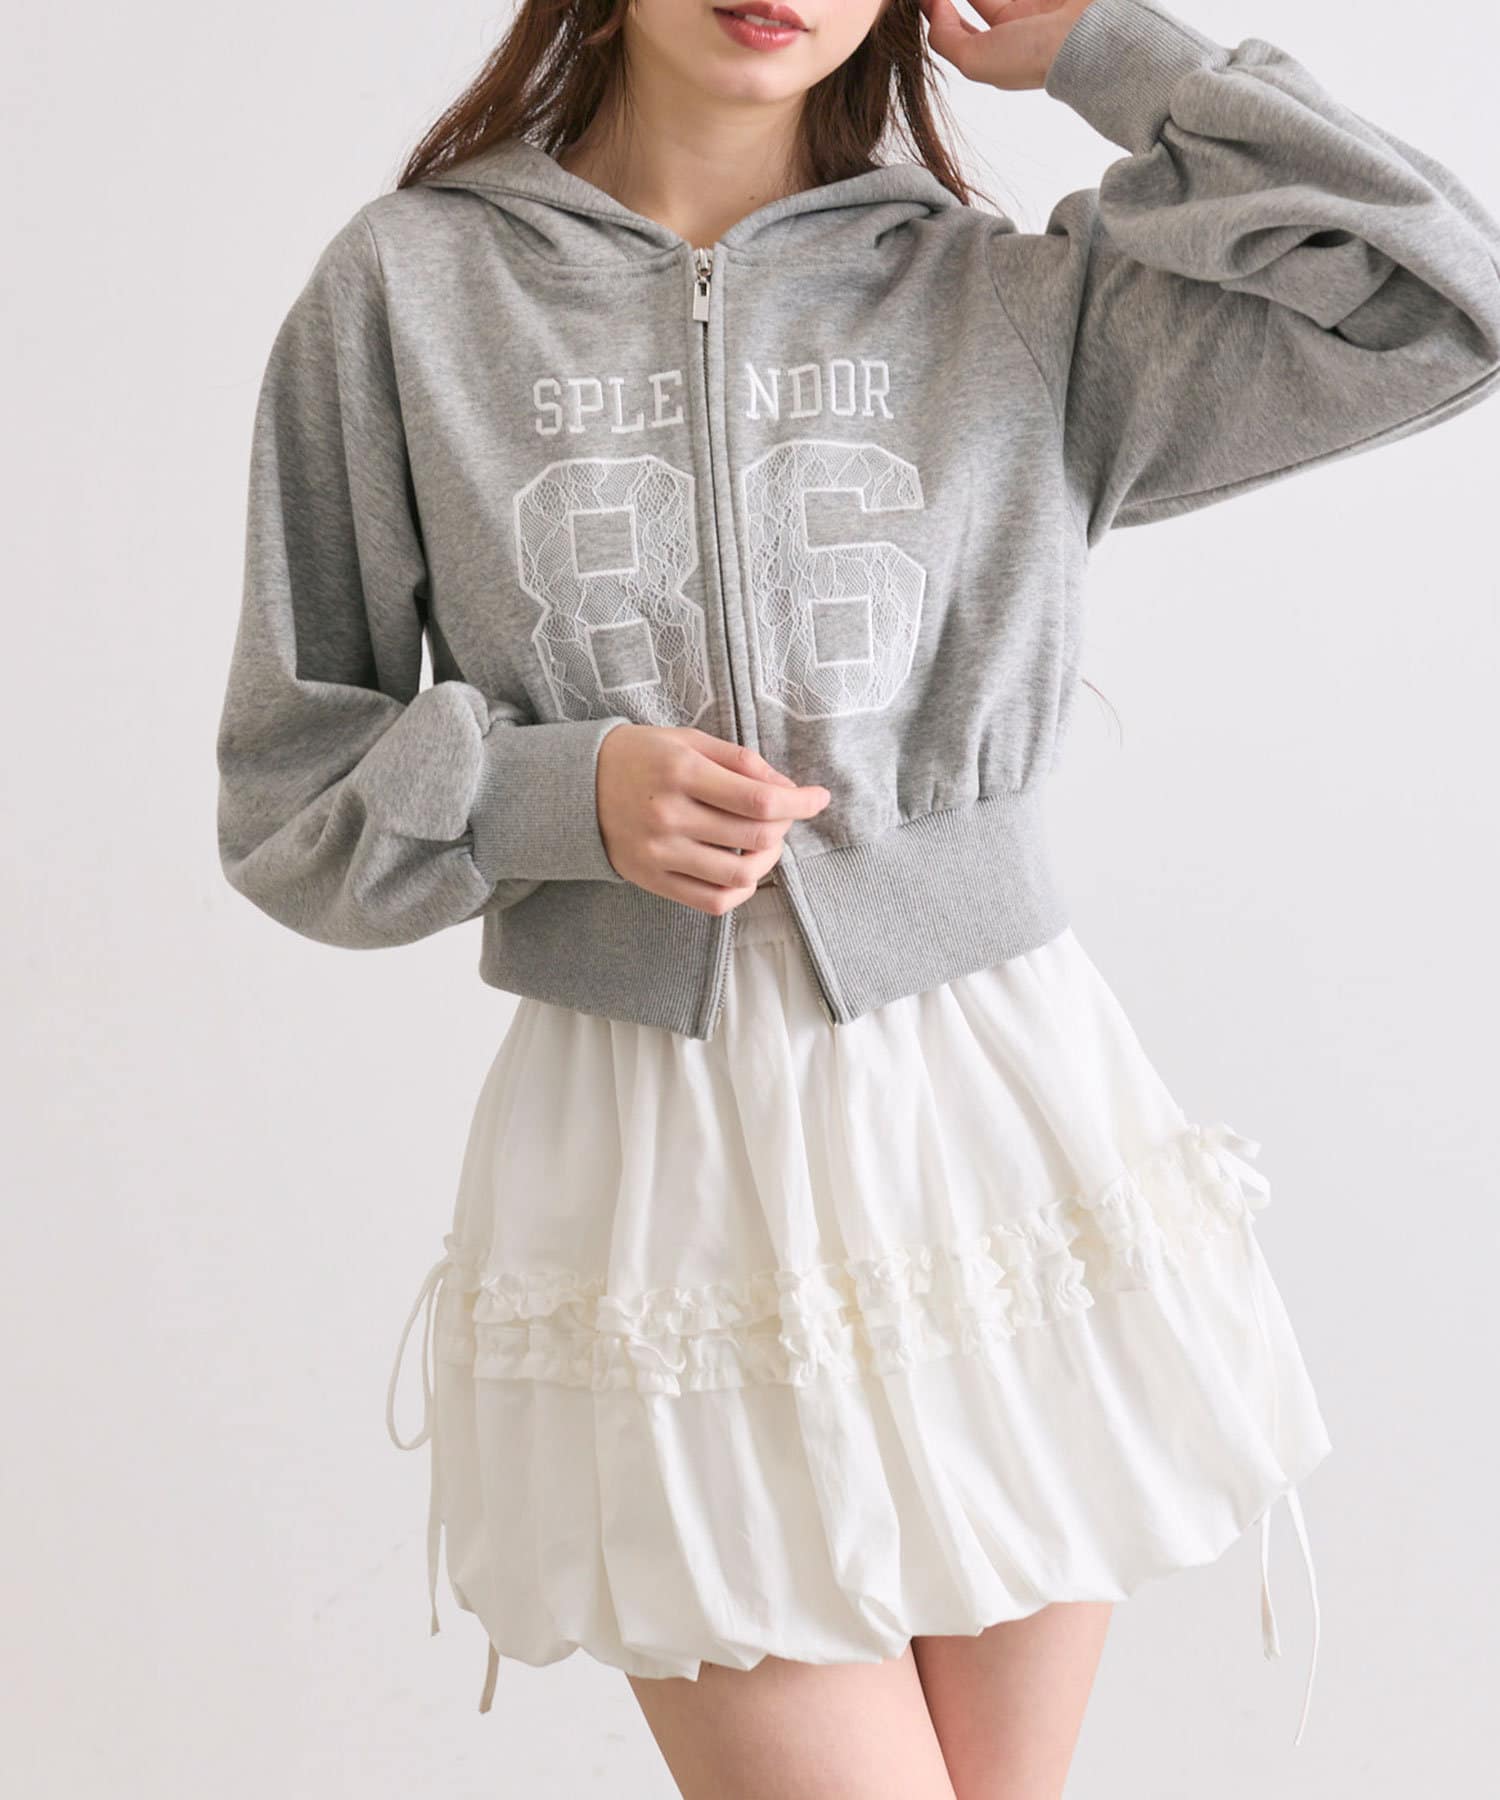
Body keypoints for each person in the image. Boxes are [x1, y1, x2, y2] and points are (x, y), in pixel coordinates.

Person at [214, 0, 1500, 1793]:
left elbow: (1447, 302)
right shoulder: (410, 292)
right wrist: (557, 794)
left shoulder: (1003, 298)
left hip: (989, 1138)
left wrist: (1110, 49)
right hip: (656, 1169)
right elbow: (290, 800)